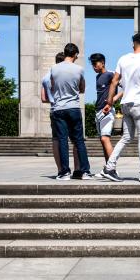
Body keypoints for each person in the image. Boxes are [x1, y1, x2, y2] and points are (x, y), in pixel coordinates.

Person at [101, 32, 140, 182]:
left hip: (125, 104)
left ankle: (109, 167)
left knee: (126, 137)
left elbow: (114, 82)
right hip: (139, 103)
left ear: (133, 44)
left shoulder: (123, 58)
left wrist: (109, 102)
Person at [50, 43, 92, 180]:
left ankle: (64, 173)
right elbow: (82, 89)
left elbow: (52, 87)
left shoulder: (54, 68)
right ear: (75, 55)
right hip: (73, 107)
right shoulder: (79, 69)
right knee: (79, 140)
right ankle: (85, 171)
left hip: (58, 108)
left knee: (62, 140)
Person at [41, 52, 81, 176]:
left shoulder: (46, 77)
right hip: (71, 108)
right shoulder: (69, 73)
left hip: (55, 110)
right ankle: (78, 168)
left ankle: (61, 170)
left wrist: (54, 100)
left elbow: (43, 98)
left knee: (57, 140)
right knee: (76, 140)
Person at [89, 53, 121, 165]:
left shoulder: (110, 74)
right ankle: (108, 167)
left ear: (102, 63)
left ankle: (112, 168)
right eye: (92, 64)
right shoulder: (97, 77)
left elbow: (125, 87)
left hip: (107, 111)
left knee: (104, 138)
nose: (93, 67)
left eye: (95, 64)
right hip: (98, 111)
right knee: (103, 141)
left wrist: (112, 101)